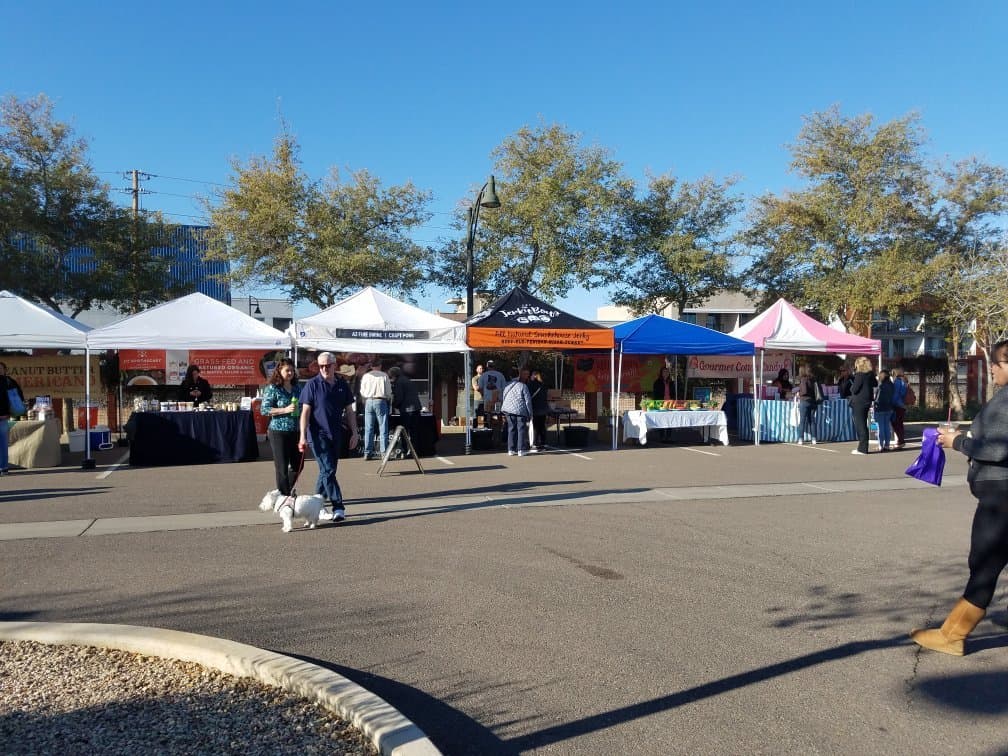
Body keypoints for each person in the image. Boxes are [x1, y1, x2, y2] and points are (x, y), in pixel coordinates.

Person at [911, 338, 1008, 656]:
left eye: (993, 364)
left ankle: (953, 634)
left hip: (1000, 495)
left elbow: (999, 448)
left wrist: (958, 442)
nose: (992, 371)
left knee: (984, 563)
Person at [298, 352, 359, 521]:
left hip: (336, 434)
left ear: (335, 366)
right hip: (318, 435)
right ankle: (338, 507)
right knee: (328, 469)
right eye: (321, 366)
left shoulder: (342, 384)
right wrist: (302, 436)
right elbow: (305, 412)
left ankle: (317, 506)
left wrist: (355, 432)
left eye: (328, 365)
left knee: (327, 471)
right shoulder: (312, 385)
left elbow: (349, 411)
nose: (324, 368)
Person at [260, 358, 302, 496]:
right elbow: (264, 409)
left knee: (298, 465)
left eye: (292, 370)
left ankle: (285, 491)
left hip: (295, 431)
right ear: (279, 371)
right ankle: (284, 498)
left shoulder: (297, 388)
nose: (290, 373)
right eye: (287, 370)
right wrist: (284, 410)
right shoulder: (273, 388)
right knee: (282, 467)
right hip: (278, 431)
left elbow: (303, 407)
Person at [358, 358, 392, 461]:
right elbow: (388, 392)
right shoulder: (384, 375)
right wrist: (387, 397)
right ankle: (384, 453)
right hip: (380, 401)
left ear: (371, 366)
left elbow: (362, 392)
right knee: (383, 428)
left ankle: (367, 453)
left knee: (369, 428)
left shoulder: (366, 376)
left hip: (368, 401)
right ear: (380, 365)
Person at [389, 365, 421, 458]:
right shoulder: (407, 380)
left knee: (405, 432)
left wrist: (393, 406)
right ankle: (415, 451)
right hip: (416, 408)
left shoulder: (399, 382)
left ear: (393, 375)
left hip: (407, 409)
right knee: (415, 432)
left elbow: (399, 398)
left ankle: (406, 450)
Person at [0, 362, 26, 476]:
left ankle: (4, 467)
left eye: (0, 368)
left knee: (3, 444)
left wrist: (11, 412)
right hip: (4, 415)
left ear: (5, 370)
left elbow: (19, 397)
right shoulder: (9, 382)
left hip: (4, 416)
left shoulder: (9, 382)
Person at [848, 356, 877, 455]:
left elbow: (854, 389)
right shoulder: (870, 374)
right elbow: (875, 383)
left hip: (859, 402)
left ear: (859, 365)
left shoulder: (859, 375)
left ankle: (862, 449)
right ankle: (862, 447)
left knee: (860, 425)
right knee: (864, 424)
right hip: (867, 401)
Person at [501, 368, 533, 457]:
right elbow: (528, 401)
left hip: (508, 410)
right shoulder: (523, 386)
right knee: (521, 429)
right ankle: (521, 449)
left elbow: (503, 397)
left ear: (510, 376)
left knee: (511, 429)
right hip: (520, 410)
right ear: (518, 375)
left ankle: (511, 449)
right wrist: (530, 413)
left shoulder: (506, 385)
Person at [795, 365, 821, 445]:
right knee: (812, 421)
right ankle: (814, 439)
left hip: (805, 401)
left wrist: (799, 394)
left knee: (802, 421)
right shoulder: (813, 379)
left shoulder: (803, 379)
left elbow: (804, 391)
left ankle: (800, 439)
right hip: (813, 402)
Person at [528, 369, 550, 453]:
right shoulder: (543, 384)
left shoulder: (531, 384)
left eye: (531, 375)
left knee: (535, 427)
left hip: (535, 408)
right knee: (542, 426)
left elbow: (529, 396)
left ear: (534, 376)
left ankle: (535, 444)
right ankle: (543, 444)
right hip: (543, 408)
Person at [874, 369, 895, 452]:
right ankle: (887, 444)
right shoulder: (891, 385)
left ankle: (880, 445)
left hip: (880, 408)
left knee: (880, 427)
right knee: (887, 426)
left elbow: (877, 398)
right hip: (889, 407)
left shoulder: (880, 386)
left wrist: (874, 404)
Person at [652, 366, 674, 442]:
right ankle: (661, 436)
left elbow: (673, 393)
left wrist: (673, 400)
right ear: (661, 373)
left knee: (670, 420)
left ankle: (668, 436)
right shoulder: (657, 382)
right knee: (661, 420)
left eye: (667, 372)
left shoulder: (671, 382)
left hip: (670, 403)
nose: (666, 373)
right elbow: (655, 394)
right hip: (660, 403)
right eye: (664, 372)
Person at [891, 366, 908, 449]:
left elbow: (896, 394)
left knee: (895, 423)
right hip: (903, 405)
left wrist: (891, 403)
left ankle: (900, 441)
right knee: (900, 424)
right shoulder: (904, 381)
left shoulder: (897, 382)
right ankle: (901, 441)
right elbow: (903, 393)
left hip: (897, 405)